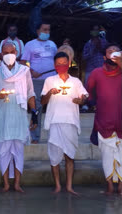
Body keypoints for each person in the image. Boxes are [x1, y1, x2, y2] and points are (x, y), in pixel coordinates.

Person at [0, 42, 37, 192]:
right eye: (5, 51)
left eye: (12, 51)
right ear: (1, 54)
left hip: (19, 116)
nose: (9, 54)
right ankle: (6, 184)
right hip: (2, 116)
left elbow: (30, 93)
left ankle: (16, 183)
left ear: (16, 53)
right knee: (3, 151)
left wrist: (34, 114)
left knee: (18, 151)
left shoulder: (24, 71)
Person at [41, 52, 88, 195]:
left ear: (69, 64)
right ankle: (57, 186)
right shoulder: (49, 80)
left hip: (70, 121)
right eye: (58, 64)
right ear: (55, 65)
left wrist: (81, 101)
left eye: (64, 63)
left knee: (70, 156)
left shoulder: (76, 82)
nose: (61, 66)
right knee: (54, 156)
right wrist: (50, 92)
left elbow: (84, 97)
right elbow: (43, 101)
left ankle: (69, 186)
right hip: (55, 121)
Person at [87, 44, 122, 195]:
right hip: (103, 119)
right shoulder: (96, 72)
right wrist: (91, 102)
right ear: (104, 56)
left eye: (116, 51)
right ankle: (109, 185)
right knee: (107, 155)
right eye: (110, 51)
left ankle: (121, 186)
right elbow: (88, 91)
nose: (113, 54)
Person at [20, 21, 57, 144]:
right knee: (36, 108)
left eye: (48, 30)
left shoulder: (52, 44)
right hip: (36, 81)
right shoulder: (30, 44)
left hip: (52, 81)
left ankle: (54, 137)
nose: (46, 32)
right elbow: (23, 62)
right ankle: (35, 137)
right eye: (44, 30)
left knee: (54, 107)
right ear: (37, 31)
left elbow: (58, 59)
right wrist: (32, 71)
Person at [82, 25, 108, 112]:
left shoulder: (104, 42)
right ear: (90, 32)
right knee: (88, 87)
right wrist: (92, 50)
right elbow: (84, 57)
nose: (95, 32)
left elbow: (108, 52)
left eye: (97, 30)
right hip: (90, 69)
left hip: (102, 69)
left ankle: (99, 105)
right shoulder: (88, 44)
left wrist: (100, 45)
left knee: (101, 88)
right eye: (94, 30)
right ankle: (86, 105)